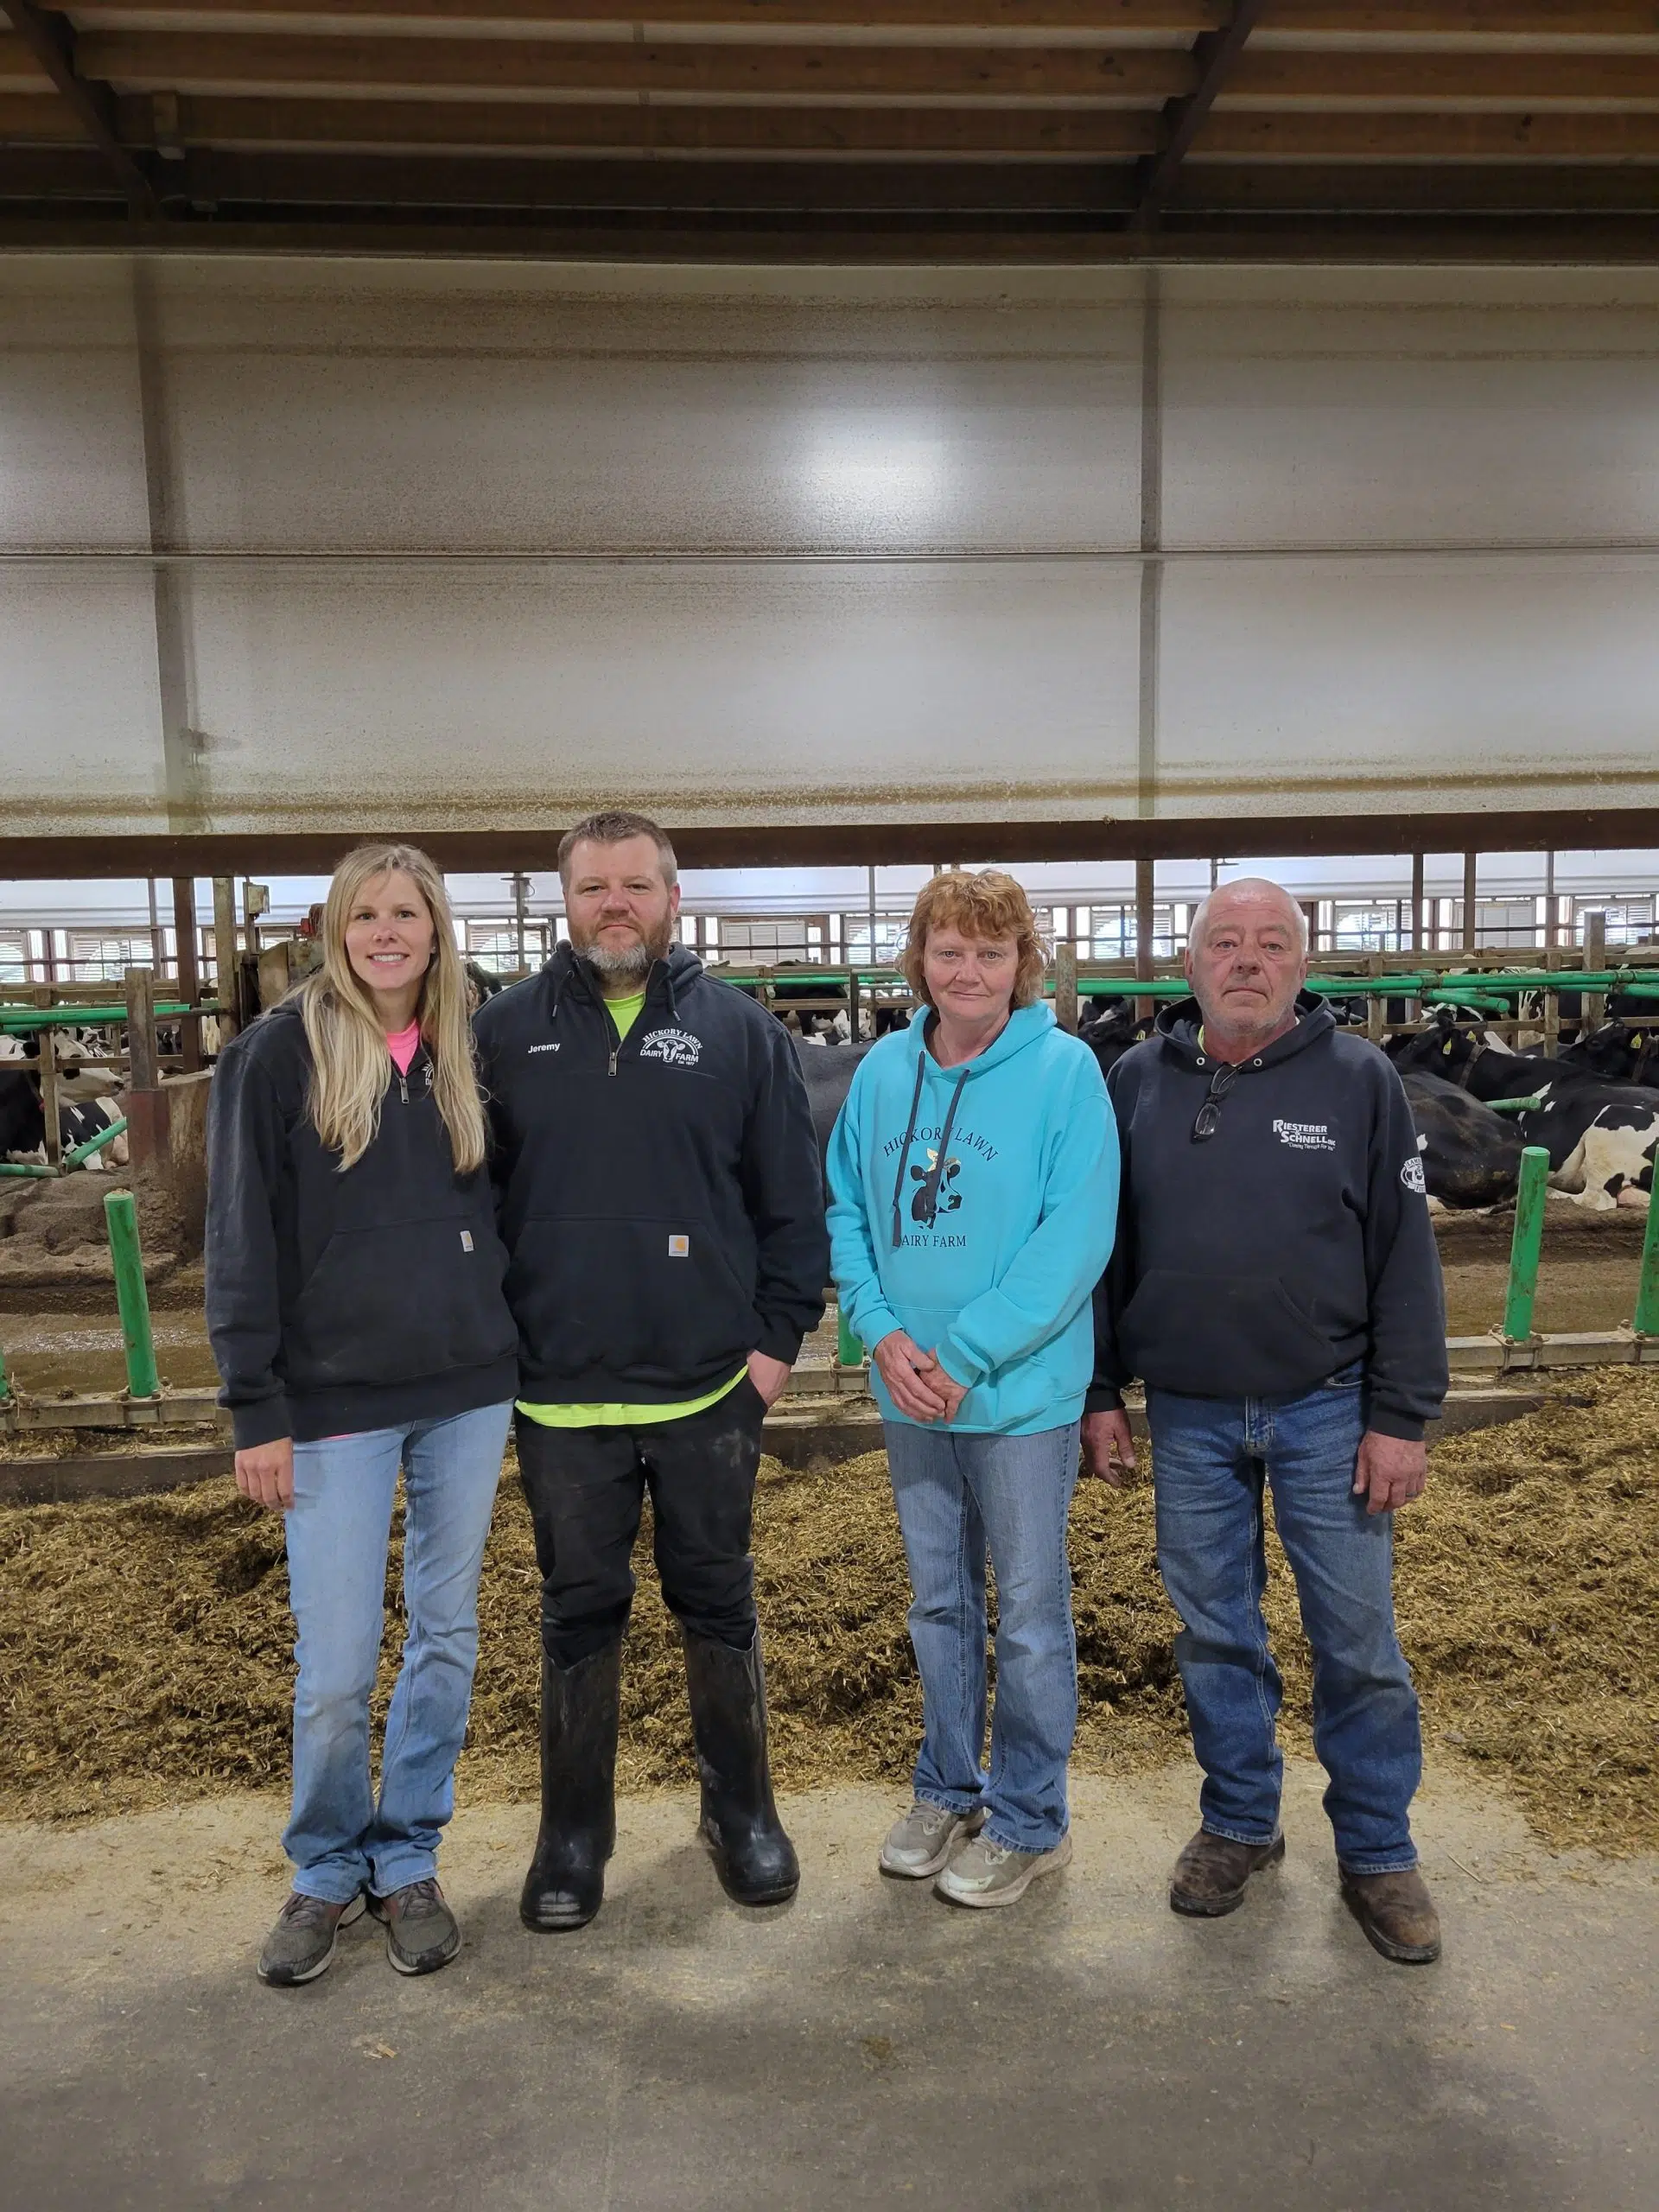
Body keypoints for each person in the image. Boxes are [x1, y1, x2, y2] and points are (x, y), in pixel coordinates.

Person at [474, 809, 828, 1930]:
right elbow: (472, 1205)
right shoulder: (500, 1033)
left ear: (674, 899)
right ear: (564, 903)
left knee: (717, 1595)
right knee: (579, 1610)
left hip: (708, 1385)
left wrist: (771, 1352)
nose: (614, 905)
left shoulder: (739, 1033)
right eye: (594, 889)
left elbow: (791, 1203)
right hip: (558, 1390)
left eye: (636, 886)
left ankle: (743, 1812)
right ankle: (575, 1836)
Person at [1083, 878, 1448, 1965]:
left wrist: (1403, 1416)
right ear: (1190, 964)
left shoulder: (1359, 1079)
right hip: (1186, 1411)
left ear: (1303, 962)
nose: (1247, 959)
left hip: (1329, 1407)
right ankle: (1241, 1820)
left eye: (1271, 943)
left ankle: (1378, 1848)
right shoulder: (1136, 1080)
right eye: (1224, 942)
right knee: (1215, 1631)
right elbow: (1104, 1255)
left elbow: (1404, 1257)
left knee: (1358, 1639)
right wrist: (1103, 1392)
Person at [207, 844, 518, 1986]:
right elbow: (241, 1239)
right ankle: (326, 1870)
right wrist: (256, 1408)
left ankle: (408, 1856)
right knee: (336, 1662)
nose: (387, 932)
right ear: (336, 930)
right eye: (366, 914)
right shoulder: (274, 1053)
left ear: (438, 932)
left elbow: (513, 1207)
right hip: (332, 1404)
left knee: (445, 1637)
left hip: (469, 1391)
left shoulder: (465, 1050)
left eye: (409, 913)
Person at [827, 870, 1117, 1909]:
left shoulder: (1066, 1074)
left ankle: (1033, 1815)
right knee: (940, 1602)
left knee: (1031, 1610)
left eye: (991, 954)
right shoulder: (880, 1073)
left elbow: (1074, 1239)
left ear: (1022, 964)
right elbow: (848, 1213)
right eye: (949, 950)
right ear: (921, 960)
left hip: (1020, 1400)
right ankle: (947, 1787)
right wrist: (882, 1330)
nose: (969, 971)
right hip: (910, 1392)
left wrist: (968, 1353)